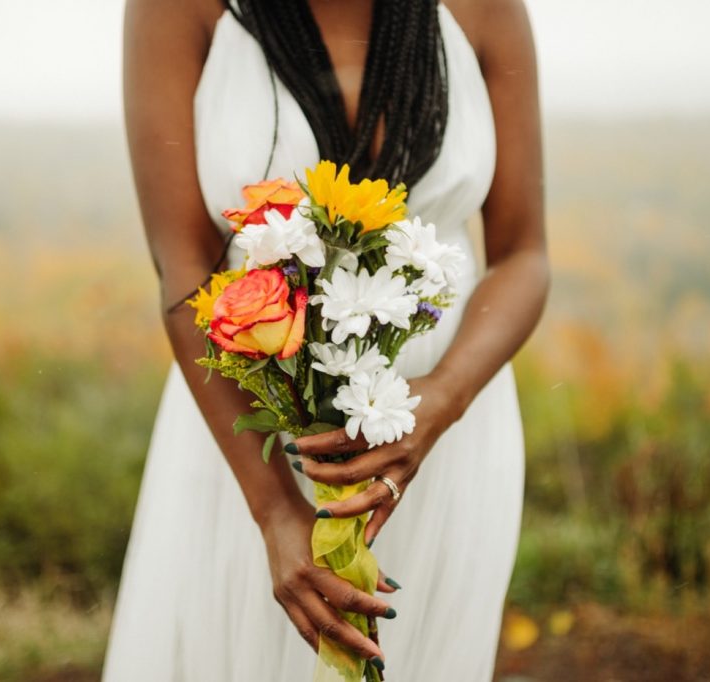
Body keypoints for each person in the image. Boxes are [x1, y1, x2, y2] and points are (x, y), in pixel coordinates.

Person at [103, 0, 548, 679]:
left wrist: (443, 400)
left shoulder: (485, 10)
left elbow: (524, 256)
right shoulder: (178, 10)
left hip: (450, 435)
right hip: (248, 448)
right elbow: (184, 269)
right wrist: (276, 509)